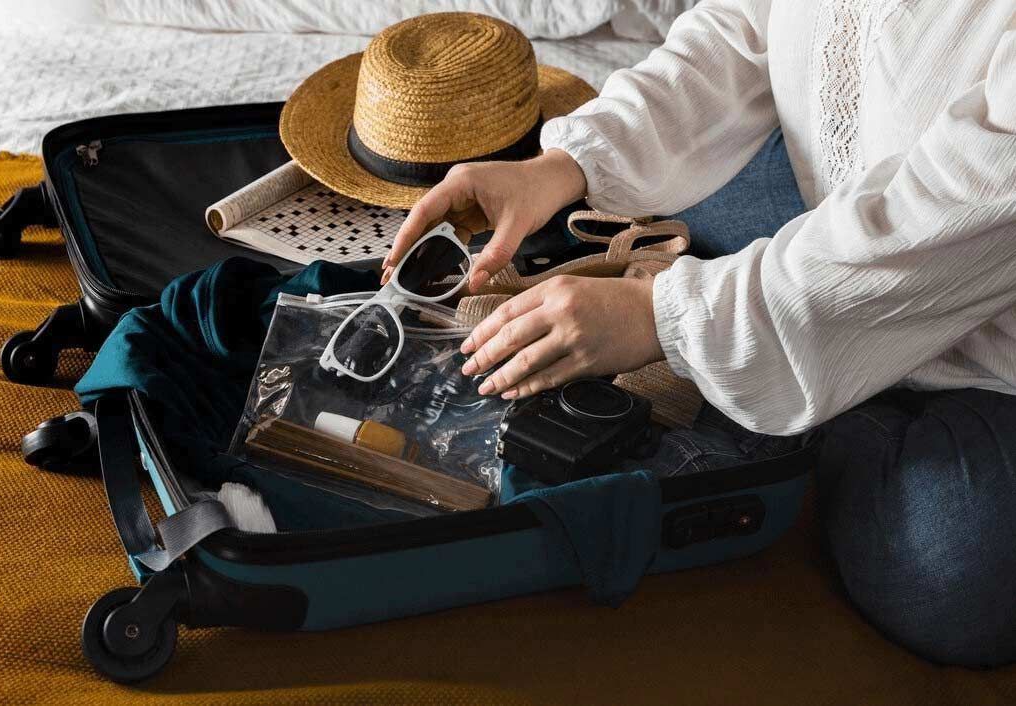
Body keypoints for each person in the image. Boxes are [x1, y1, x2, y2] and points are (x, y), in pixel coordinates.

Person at [383, 1, 1016, 668]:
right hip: (836, 200)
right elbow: (743, 27)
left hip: (989, 338)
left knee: (950, 577)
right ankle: (775, 334)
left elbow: (955, 212)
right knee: (690, 185)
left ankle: (791, 383)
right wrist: (562, 169)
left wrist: (659, 314)